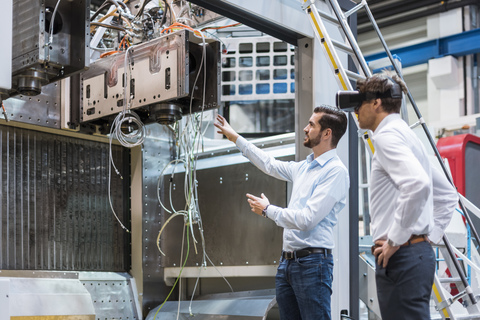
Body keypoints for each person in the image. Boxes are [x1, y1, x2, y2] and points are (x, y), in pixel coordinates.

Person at [214, 105, 349, 320]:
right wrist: (235, 137)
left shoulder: (335, 172)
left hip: (313, 265)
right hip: (288, 263)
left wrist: (268, 210)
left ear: (327, 133)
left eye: (311, 124)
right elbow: (269, 164)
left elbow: (307, 219)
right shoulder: (305, 167)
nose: (305, 128)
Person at [352, 74, 458, 319]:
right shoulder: (409, 137)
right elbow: (447, 195)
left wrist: (395, 240)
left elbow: (417, 184)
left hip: (401, 258)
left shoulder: (387, 137)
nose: (356, 110)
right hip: (414, 255)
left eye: (360, 103)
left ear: (376, 103)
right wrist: (426, 239)